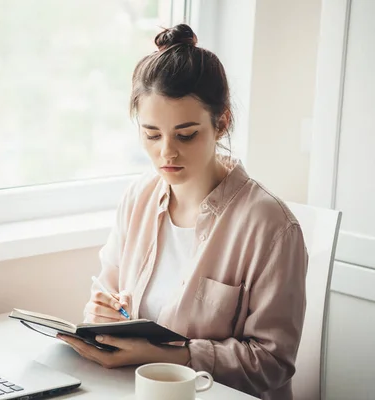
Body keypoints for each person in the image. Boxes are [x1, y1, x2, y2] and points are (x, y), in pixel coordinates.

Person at [57, 24, 308, 400]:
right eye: (152, 135)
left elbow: (272, 362)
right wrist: (103, 315)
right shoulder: (138, 197)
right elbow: (104, 296)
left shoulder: (270, 226)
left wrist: (173, 356)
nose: (166, 154)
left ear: (221, 122)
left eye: (186, 134)